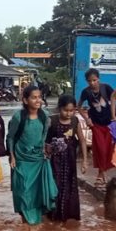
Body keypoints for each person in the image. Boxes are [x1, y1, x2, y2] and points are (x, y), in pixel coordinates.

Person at [7, 85, 58, 225]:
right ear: (25, 100)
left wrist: (45, 151)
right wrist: (11, 155)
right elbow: (10, 137)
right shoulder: (18, 117)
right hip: (21, 160)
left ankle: (33, 226)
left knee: (37, 193)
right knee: (23, 192)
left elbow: (44, 136)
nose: (38, 100)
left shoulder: (44, 116)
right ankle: (26, 222)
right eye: (34, 97)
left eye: (39, 97)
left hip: (38, 160)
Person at [47, 94, 88, 222]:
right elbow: (43, 140)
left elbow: (82, 141)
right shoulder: (52, 121)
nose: (69, 113)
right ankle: (52, 215)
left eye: (72, 111)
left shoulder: (75, 122)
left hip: (70, 162)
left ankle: (67, 214)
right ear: (59, 108)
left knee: (69, 186)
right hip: (54, 161)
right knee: (54, 185)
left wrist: (85, 161)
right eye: (66, 110)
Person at [78, 68, 116, 188]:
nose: (92, 83)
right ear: (86, 81)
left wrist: (115, 115)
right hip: (96, 124)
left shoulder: (106, 88)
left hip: (109, 123)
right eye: (90, 81)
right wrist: (86, 119)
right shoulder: (86, 92)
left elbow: (115, 99)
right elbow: (78, 106)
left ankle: (102, 173)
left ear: (98, 79)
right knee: (100, 149)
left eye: (94, 80)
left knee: (108, 149)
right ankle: (102, 174)